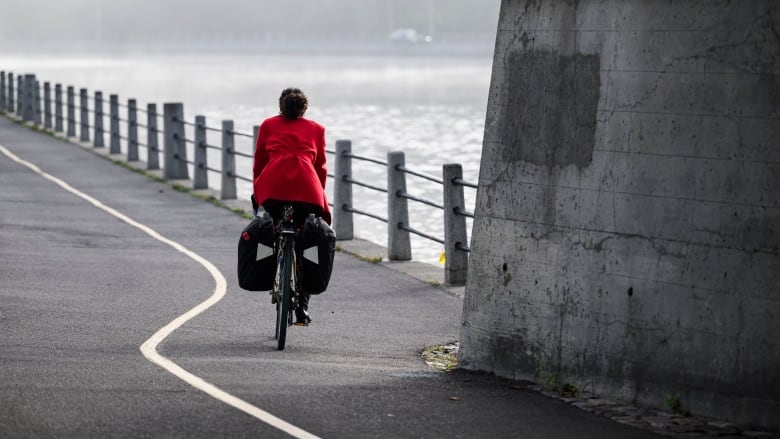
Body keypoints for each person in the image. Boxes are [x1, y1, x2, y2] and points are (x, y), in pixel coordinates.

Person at [252, 87, 330, 325]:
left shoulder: (267, 125)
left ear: (280, 106)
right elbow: (321, 169)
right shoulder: (317, 129)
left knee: (274, 229)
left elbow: (259, 163)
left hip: (273, 187)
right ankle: (302, 307)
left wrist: (258, 190)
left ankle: (276, 273)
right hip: (307, 189)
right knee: (305, 242)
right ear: (304, 108)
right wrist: (320, 195)